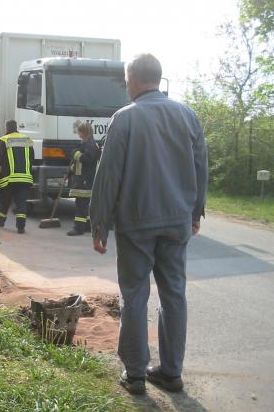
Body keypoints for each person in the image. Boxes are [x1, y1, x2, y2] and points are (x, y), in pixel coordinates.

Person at [90, 54, 208, 395]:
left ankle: (136, 374)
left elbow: (108, 175)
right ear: (158, 78)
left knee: (135, 295)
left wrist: (99, 224)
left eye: (127, 80)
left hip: (136, 223)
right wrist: (195, 212)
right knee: (174, 295)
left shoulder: (124, 118)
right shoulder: (188, 116)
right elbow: (201, 167)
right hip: (176, 223)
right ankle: (171, 373)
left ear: (132, 79)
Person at [0, 120, 34, 234]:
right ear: (16, 127)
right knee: (21, 203)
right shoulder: (27, 140)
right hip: (25, 178)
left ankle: (0, 220)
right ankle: (21, 227)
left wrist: (0, 177)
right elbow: (31, 158)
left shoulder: (3, 140)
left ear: (7, 128)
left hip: (9, 178)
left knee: (5, 201)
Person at [66, 122, 101, 236]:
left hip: (85, 180)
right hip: (82, 179)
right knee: (82, 203)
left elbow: (87, 159)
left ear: (84, 132)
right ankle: (86, 226)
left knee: (81, 204)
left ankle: (78, 228)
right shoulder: (85, 144)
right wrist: (70, 172)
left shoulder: (90, 145)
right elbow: (77, 164)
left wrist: (76, 154)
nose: (78, 134)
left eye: (79, 131)